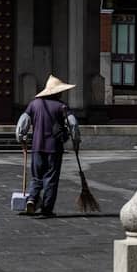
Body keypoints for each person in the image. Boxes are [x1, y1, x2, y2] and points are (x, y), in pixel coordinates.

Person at [15, 75, 81, 216]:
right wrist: (76, 140)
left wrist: (21, 138)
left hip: (37, 146)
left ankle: (32, 199)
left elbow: (22, 123)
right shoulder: (62, 107)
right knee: (51, 178)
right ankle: (46, 209)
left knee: (36, 176)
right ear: (58, 92)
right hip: (54, 148)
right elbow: (73, 124)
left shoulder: (34, 104)